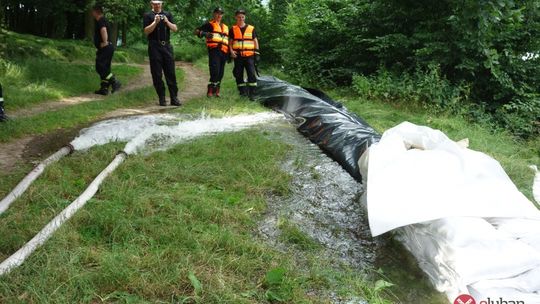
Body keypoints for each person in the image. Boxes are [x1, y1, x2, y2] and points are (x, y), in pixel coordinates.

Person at [143, 0, 181, 106]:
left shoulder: (167, 14)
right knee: (156, 73)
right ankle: (162, 97)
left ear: (162, 4)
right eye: (155, 3)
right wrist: (155, 22)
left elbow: (175, 28)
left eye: (158, 3)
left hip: (167, 46)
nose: (157, 5)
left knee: (171, 73)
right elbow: (146, 31)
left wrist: (167, 22)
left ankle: (174, 97)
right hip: (154, 46)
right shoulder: (148, 15)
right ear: (151, 4)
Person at [194, 7, 229, 98]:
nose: (219, 15)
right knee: (215, 70)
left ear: (222, 15)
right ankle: (210, 90)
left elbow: (228, 40)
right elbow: (196, 31)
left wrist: (230, 54)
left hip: (224, 52)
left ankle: (217, 91)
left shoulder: (225, 27)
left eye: (220, 14)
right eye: (217, 13)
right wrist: (204, 34)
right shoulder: (209, 24)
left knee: (221, 73)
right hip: (214, 50)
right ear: (214, 14)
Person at [230, 9, 260, 100]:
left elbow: (255, 41)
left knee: (251, 74)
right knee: (238, 74)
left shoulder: (251, 28)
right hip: (238, 56)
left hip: (249, 56)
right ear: (236, 17)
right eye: (239, 17)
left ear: (245, 17)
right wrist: (231, 52)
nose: (241, 18)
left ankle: (252, 94)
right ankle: (242, 93)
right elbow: (230, 42)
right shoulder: (233, 29)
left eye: (242, 17)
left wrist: (257, 53)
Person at [92, 5, 121, 95]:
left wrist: (104, 41)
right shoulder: (102, 20)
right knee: (105, 68)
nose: (92, 14)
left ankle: (114, 81)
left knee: (100, 67)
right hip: (107, 48)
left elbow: (103, 30)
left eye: (93, 12)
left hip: (105, 48)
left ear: (96, 12)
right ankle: (104, 88)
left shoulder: (101, 20)